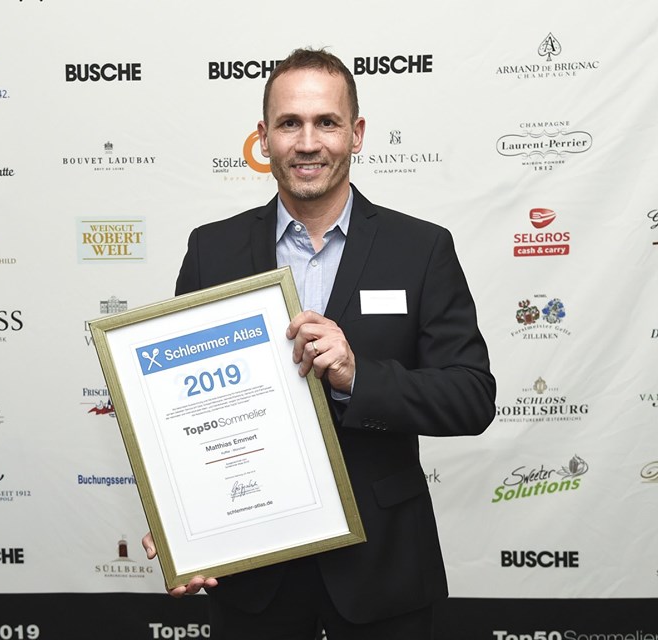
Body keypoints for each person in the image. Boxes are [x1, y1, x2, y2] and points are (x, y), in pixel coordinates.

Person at [142, 47, 496, 639]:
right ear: (264, 139)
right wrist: (182, 524)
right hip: (253, 569)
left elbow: (471, 398)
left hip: (382, 568)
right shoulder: (212, 250)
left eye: (326, 122)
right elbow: (177, 411)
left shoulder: (421, 248)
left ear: (356, 134)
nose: (308, 143)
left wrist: (359, 377)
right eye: (290, 123)